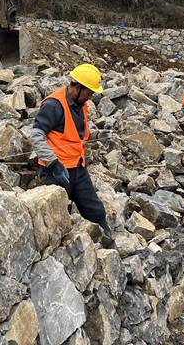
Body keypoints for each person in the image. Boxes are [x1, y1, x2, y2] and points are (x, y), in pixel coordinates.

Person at [31, 63, 114, 246]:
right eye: (89, 92)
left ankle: (109, 245)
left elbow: (77, 135)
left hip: (77, 169)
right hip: (56, 172)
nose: (90, 97)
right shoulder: (54, 105)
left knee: (95, 210)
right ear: (77, 87)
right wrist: (53, 163)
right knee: (60, 219)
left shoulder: (79, 104)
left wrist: (99, 135)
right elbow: (36, 136)